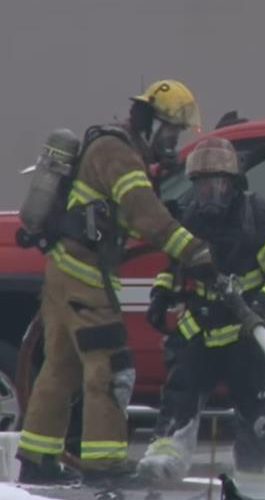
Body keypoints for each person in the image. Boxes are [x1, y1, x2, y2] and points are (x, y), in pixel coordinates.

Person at [17, 79, 215, 485]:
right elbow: (144, 214)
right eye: (171, 131)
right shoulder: (118, 153)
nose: (172, 142)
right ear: (151, 122)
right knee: (109, 365)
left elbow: (125, 219)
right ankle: (104, 464)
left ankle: (37, 459)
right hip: (85, 276)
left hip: (64, 271)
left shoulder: (115, 149)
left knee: (60, 367)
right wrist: (195, 252)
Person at [137, 138, 265, 497]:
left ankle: (258, 485)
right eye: (201, 186)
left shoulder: (256, 216)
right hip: (203, 326)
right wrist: (161, 295)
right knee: (180, 393)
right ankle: (165, 461)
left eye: (215, 185)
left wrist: (262, 306)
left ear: (232, 184)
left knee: (254, 412)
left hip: (247, 333)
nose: (207, 194)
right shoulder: (191, 219)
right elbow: (176, 266)